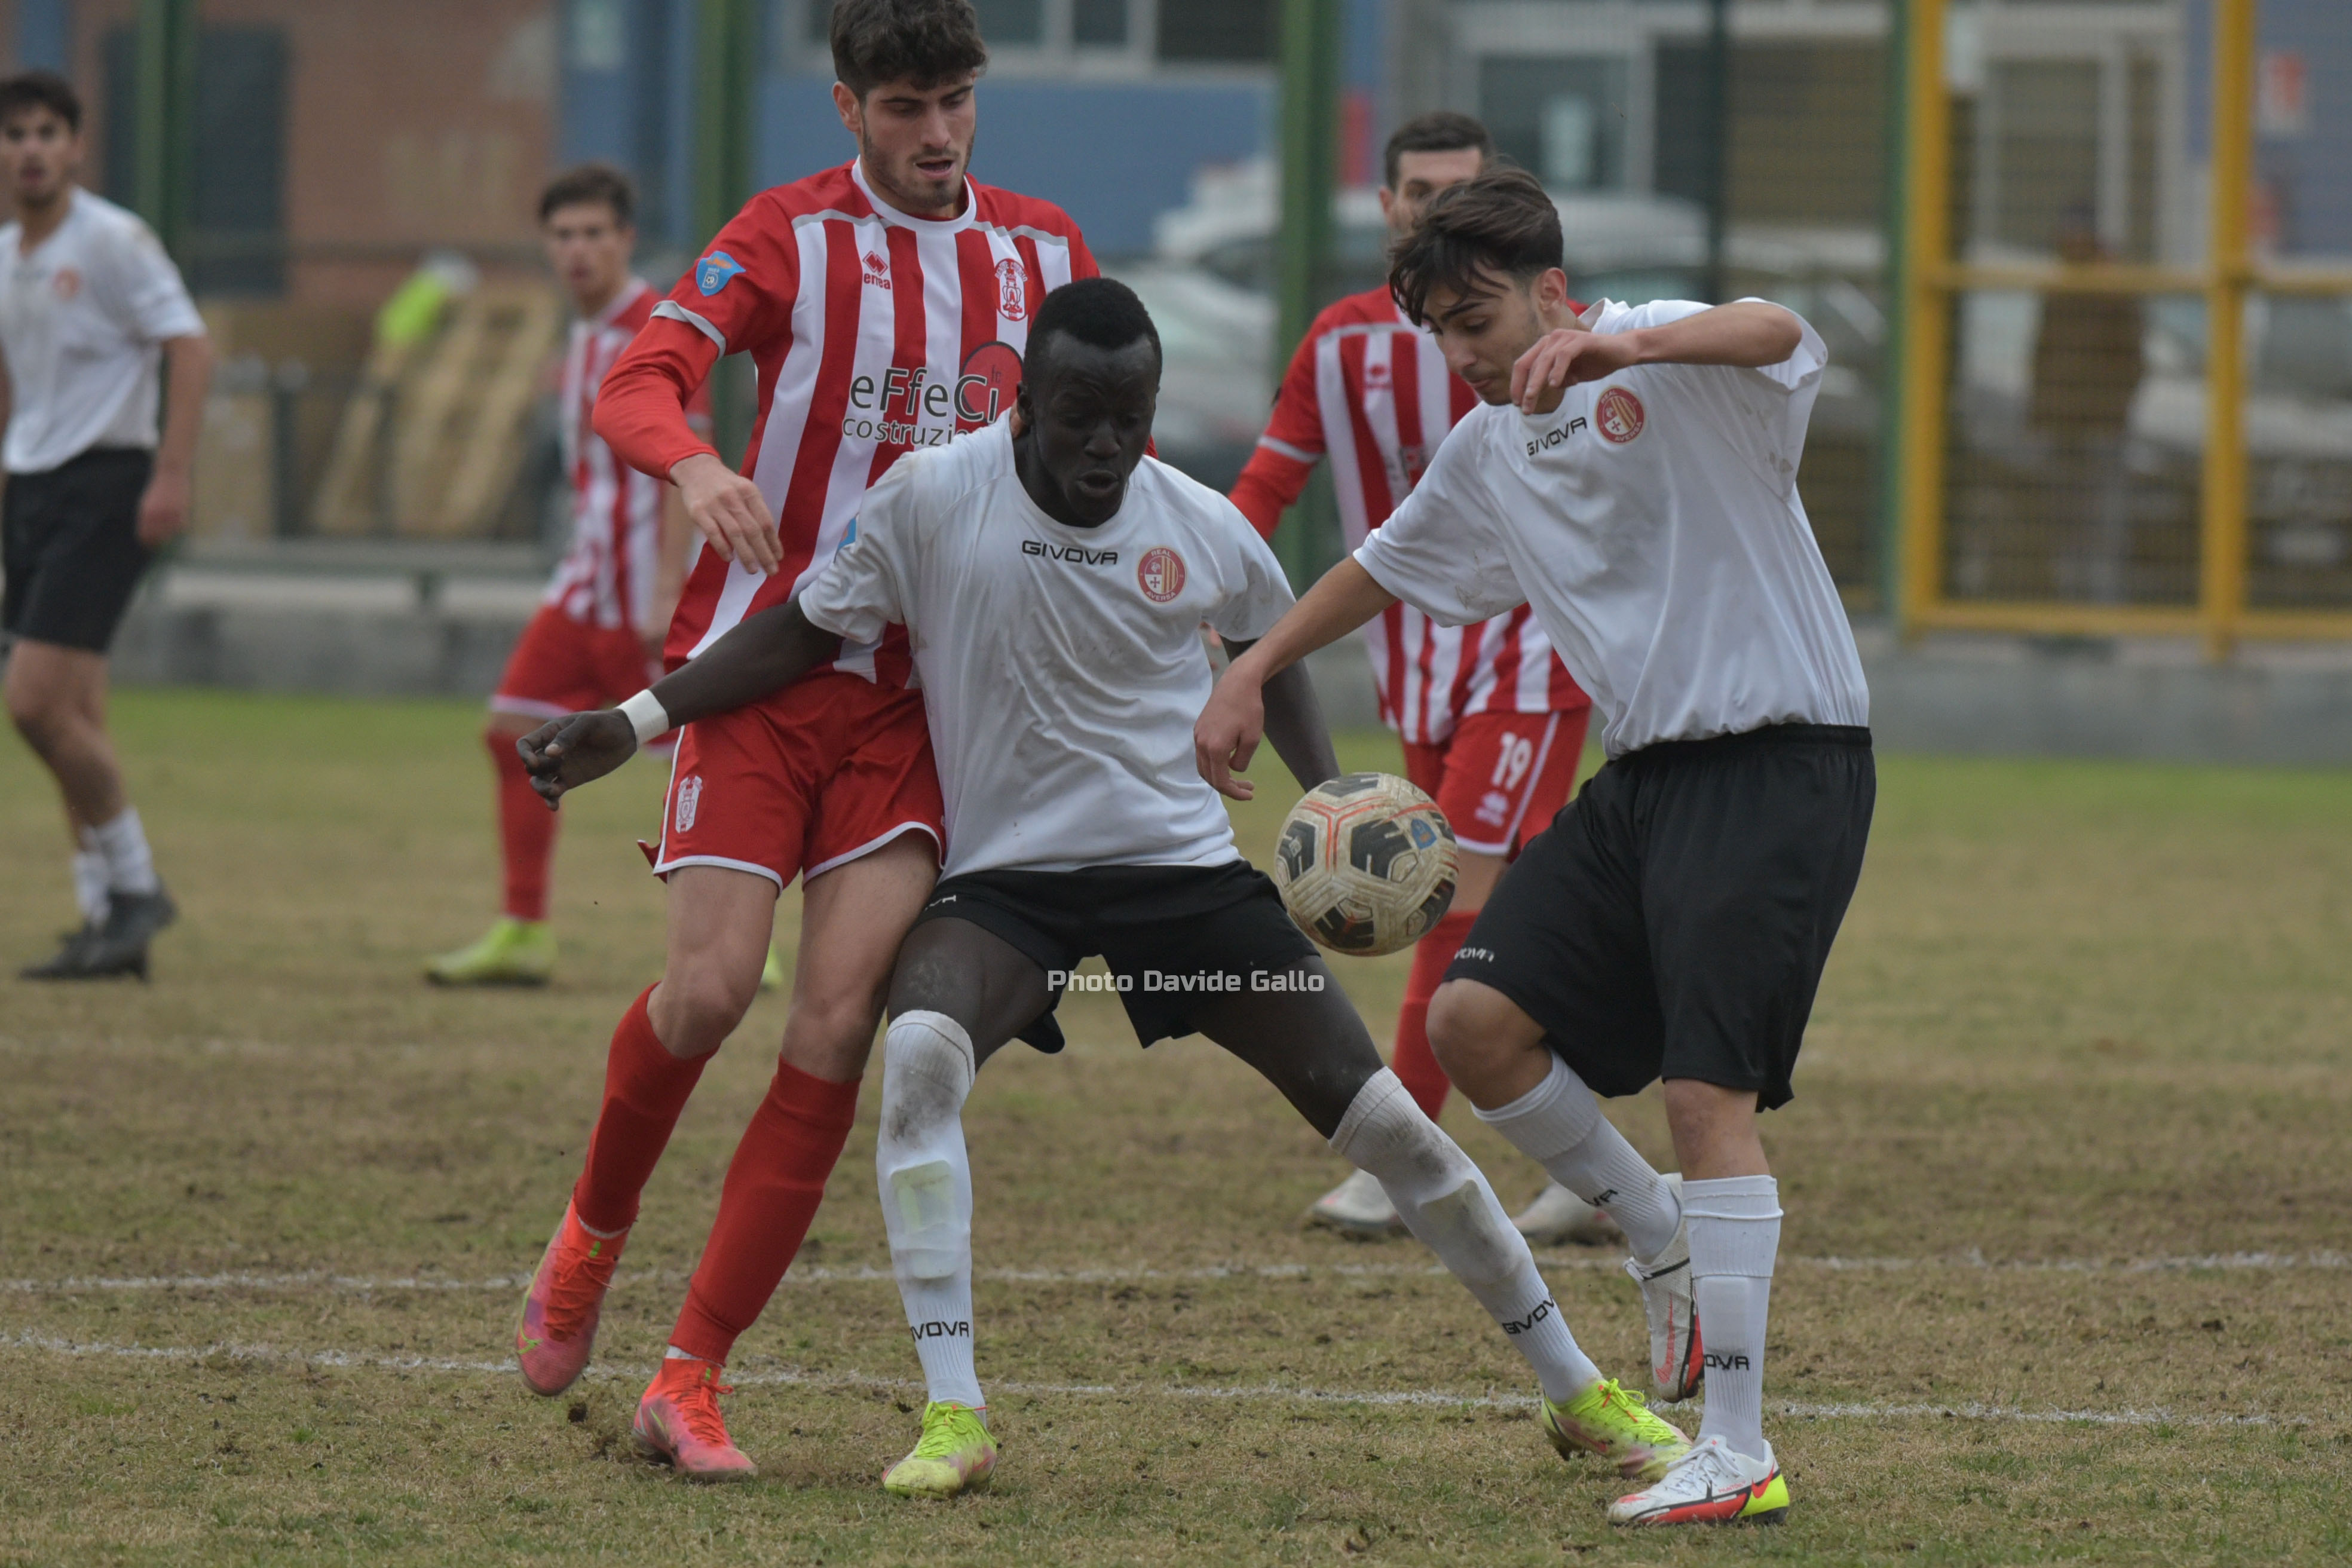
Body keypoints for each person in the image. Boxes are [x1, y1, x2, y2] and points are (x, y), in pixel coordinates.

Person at [521, 275, 1692, 1503]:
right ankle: (953, 1415)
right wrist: (636, 718)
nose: (1105, 444)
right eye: (1079, 413)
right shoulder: (928, 496)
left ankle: (1578, 1392)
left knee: (1392, 1123)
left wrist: (1333, 801)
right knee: (917, 1054)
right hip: (1010, 897)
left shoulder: (1196, 519)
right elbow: (805, 631)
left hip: (1183, 894)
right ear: (1024, 401)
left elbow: (1270, 645)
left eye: (1130, 416)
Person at [1196, 169, 1873, 1527]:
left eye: (1480, 317)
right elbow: (1378, 565)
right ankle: (1658, 1228)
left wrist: (1631, 342)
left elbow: (1782, 329)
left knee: (1706, 1096)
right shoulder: (1490, 447)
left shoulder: (1666, 350)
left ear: (1554, 293)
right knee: (1472, 1020)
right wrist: (1253, 665)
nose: (1465, 353)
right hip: (1647, 784)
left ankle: (1737, 1448)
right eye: (1441, 332)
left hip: (1781, 759)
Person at [506, 0, 1101, 1480]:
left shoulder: (1044, 250)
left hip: (918, 705)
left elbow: (1104, 448)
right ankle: (591, 1233)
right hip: (758, 675)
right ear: (848, 109)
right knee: (706, 994)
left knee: (839, 1026)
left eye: (955, 99)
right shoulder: (784, 237)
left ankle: (688, 1377)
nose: (936, 133)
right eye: (904, 106)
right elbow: (635, 378)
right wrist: (699, 461)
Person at [1232, 109, 1610, 1247]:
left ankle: (1400, 1154)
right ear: (1387, 204)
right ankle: (1590, 1161)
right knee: (1514, 916)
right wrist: (1221, 618)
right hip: (1418, 661)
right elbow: (1269, 485)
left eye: (1459, 185)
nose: (1431, 204)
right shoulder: (1343, 346)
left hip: (1533, 655)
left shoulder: (1552, 334)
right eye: (1414, 189)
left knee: (1450, 899)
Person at [425, 165, 713, 987]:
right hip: (584, 584)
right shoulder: (585, 334)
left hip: (636, 598)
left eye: (595, 233)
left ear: (626, 239)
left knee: (696, 763)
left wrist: (666, 587)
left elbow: (688, 458)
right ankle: (523, 930)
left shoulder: (651, 331)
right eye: (563, 235)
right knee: (510, 727)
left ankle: (741, 942)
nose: (579, 250)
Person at [1, 71, 212, 981]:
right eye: (15, 135)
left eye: (49, 132)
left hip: (106, 487)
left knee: (34, 703)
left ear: (76, 145)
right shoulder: (8, 254)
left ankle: (133, 887)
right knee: (74, 714)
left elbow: (190, 344)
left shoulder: (114, 238)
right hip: (34, 488)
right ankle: (104, 919)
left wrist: (170, 472)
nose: (32, 149)